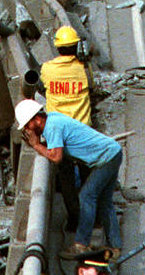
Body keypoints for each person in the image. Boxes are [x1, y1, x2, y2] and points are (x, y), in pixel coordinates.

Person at [16, 99, 122, 259]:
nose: (27, 130)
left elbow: (56, 157)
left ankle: (81, 245)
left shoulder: (52, 126)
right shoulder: (52, 120)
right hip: (112, 153)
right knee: (104, 202)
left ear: (36, 120)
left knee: (87, 196)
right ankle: (115, 247)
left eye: (27, 125)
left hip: (106, 158)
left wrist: (36, 146)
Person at [39, 25, 92, 231]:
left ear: (58, 48)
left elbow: (43, 85)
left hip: (59, 135)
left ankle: (74, 220)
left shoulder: (47, 69)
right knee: (88, 178)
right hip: (82, 132)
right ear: (75, 47)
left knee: (67, 179)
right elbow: (92, 87)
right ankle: (92, 218)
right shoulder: (84, 70)